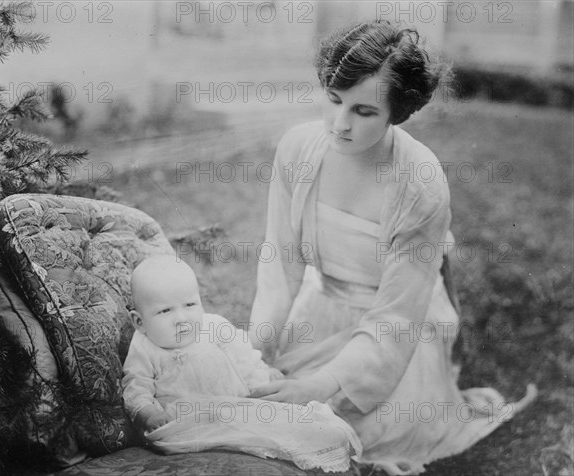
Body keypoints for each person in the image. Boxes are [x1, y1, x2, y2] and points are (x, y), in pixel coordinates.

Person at [249, 20, 536, 475]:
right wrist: (259, 347)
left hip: (399, 328)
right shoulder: (299, 149)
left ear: (396, 114)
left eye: (364, 112)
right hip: (323, 306)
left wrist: (323, 383)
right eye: (334, 99)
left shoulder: (419, 182)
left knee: (356, 434)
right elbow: (281, 264)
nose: (339, 124)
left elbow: (397, 315)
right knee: (265, 403)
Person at [122, 255, 361, 472]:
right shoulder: (145, 346)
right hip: (186, 417)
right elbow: (136, 384)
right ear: (140, 322)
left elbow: (244, 359)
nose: (181, 318)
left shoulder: (214, 327)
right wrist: (147, 412)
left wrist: (264, 376)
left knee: (293, 423)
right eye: (165, 311)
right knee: (188, 435)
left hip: (237, 404)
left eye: (190, 305)